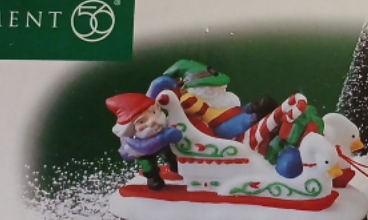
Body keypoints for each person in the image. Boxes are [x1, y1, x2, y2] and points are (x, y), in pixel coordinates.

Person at [147, 59, 275, 139]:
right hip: (221, 125)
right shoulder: (188, 99)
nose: (223, 87)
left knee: (248, 108)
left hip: (231, 113)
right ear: (201, 89)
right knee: (246, 119)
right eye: (216, 86)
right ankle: (259, 117)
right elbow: (194, 108)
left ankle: (257, 108)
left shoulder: (214, 99)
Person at [106, 93, 183, 190]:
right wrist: (163, 138)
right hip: (143, 153)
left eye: (154, 112)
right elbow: (145, 147)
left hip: (163, 144)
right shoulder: (133, 140)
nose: (153, 121)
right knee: (148, 165)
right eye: (142, 122)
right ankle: (153, 178)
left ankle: (175, 165)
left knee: (171, 152)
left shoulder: (161, 125)